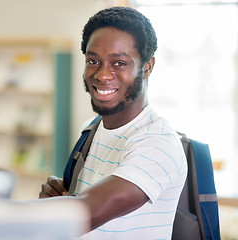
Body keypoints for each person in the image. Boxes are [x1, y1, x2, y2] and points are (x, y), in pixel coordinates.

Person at [39, 6, 187, 239]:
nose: (102, 75)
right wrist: (57, 198)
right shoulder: (91, 129)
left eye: (119, 63)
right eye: (93, 61)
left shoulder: (157, 144)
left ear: (147, 67)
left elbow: (81, 215)